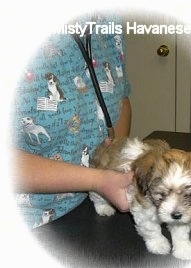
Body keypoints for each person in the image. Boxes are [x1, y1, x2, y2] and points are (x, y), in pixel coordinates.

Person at [12, 13, 133, 229]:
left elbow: (121, 99)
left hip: (90, 205)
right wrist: (96, 180)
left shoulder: (108, 22)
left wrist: (114, 161)